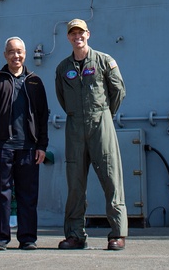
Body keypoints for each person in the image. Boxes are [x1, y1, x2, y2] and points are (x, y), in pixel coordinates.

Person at [54, 18, 127, 251]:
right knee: (75, 183)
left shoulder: (105, 61)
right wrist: (79, 115)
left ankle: (117, 233)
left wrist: (104, 115)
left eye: (81, 33)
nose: (78, 37)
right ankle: (75, 235)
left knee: (111, 179)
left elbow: (118, 91)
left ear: (88, 34)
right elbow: (62, 98)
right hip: (75, 126)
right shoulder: (63, 68)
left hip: (101, 123)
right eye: (73, 34)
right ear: (68, 37)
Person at [0, 36, 49, 251]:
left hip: (29, 147)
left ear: (25, 54)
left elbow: (42, 116)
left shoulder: (34, 81)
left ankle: (28, 238)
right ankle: (1, 237)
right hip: (3, 147)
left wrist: (42, 146)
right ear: (5, 55)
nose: (16, 55)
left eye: (19, 51)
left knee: (27, 195)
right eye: (11, 51)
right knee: (2, 194)